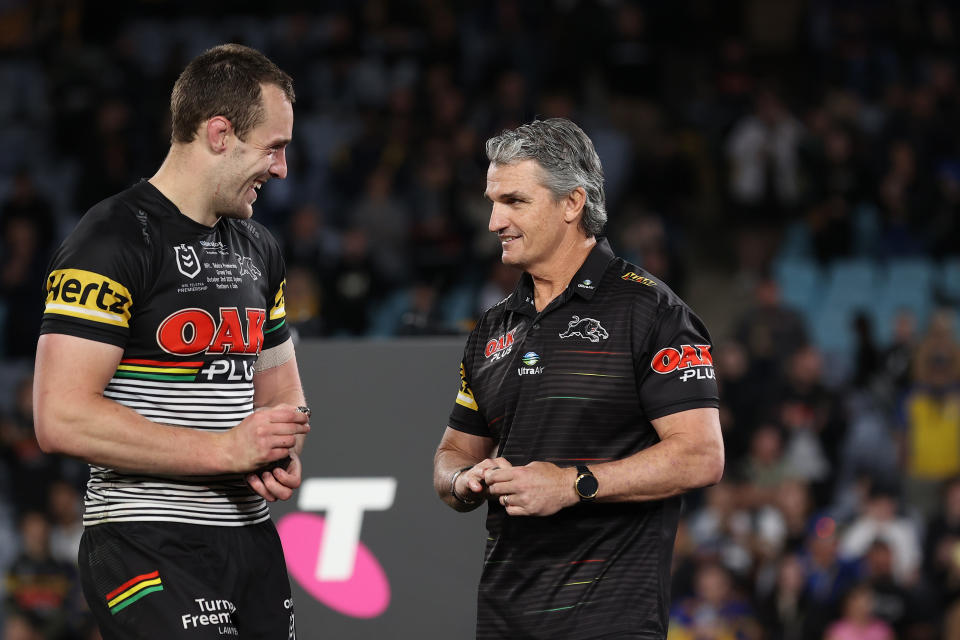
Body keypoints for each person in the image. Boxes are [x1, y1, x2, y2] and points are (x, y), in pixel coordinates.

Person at [32, 44, 310, 639]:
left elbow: (281, 390)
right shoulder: (109, 239)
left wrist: (278, 448)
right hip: (144, 539)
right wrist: (223, 452)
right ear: (218, 133)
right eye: (274, 146)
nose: (282, 168)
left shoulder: (260, 249)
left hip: (250, 538)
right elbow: (59, 417)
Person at [432, 118, 724, 639]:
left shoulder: (653, 313)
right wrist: (463, 479)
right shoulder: (492, 329)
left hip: (611, 621)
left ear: (572, 203)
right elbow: (452, 453)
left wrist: (572, 484)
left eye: (515, 201)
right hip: (502, 621)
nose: (495, 220)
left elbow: (701, 456)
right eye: (492, 201)